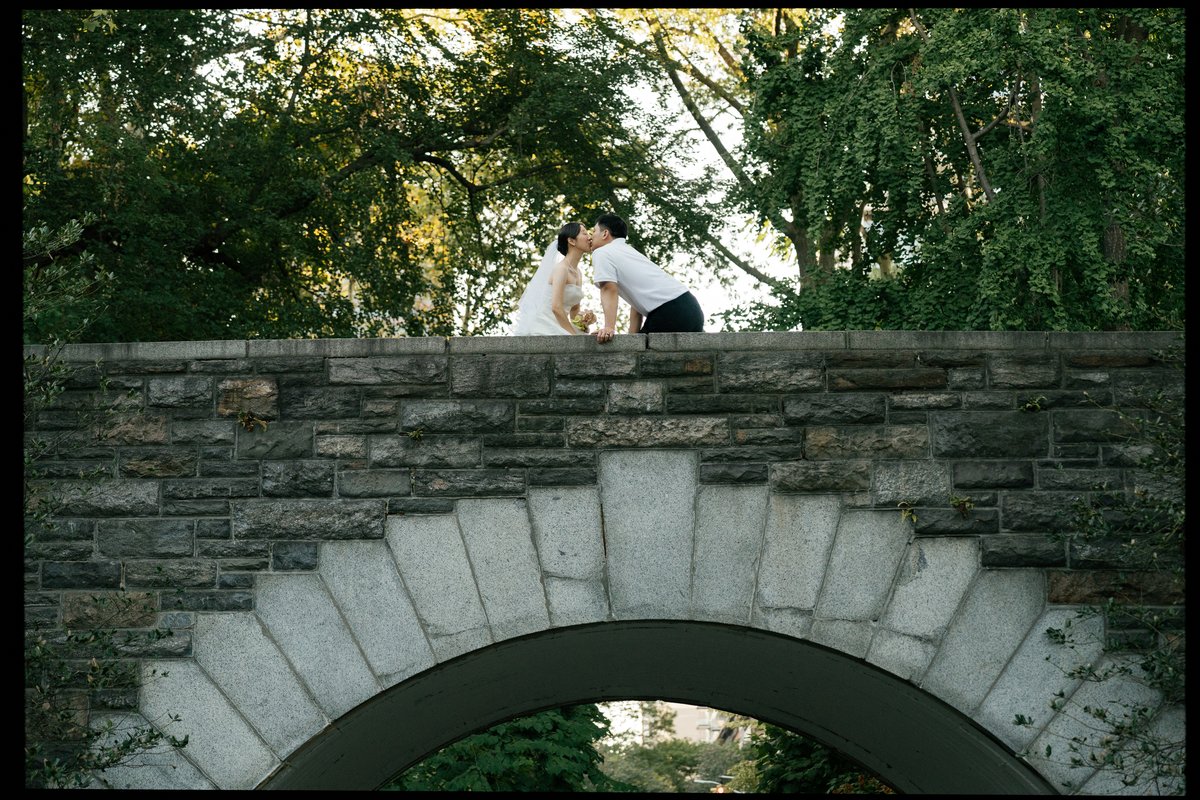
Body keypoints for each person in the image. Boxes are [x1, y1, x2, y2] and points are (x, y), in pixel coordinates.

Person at [589, 213, 704, 343]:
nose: (590, 236)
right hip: (690, 307)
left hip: (669, 311)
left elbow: (608, 288)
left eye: (594, 231)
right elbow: (636, 304)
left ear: (605, 234)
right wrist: (632, 339)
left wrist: (609, 327)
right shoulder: (629, 252)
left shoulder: (602, 252)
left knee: (639, 360)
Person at [511, 222, 597, 335]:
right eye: (584, 233)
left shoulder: (578, 273)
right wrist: (575, 337)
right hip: (546, 325)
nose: (589, 237)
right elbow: (556, 307)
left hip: (562, 324)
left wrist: (583, 324)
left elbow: (574, 310)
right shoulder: (561, 269)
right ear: (571, 241)